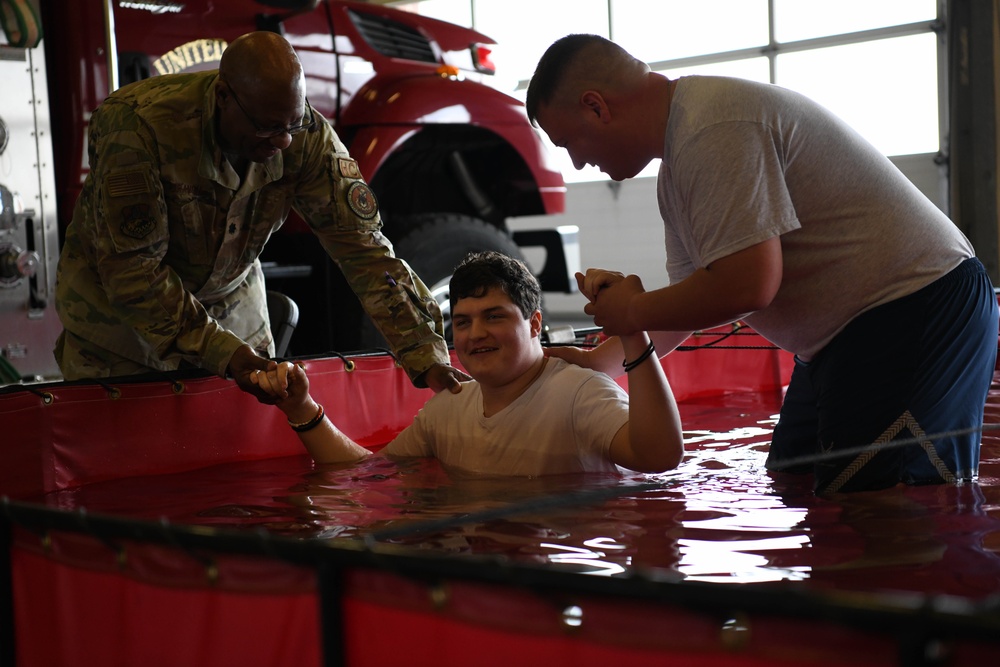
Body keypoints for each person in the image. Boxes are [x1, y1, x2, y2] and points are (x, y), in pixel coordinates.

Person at [524, 34, 999, 494]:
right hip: (842, 340)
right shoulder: (679, 165)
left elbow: (748, 286)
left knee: (882, 515)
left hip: (916, 311)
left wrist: (632, 312)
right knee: (792, 483)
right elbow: (690, 302)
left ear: (596, 106)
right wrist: (597, 363)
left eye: (568, 142)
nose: (578, 163)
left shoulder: (712, 128)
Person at [53, 31, 466, 402]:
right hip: (120, 331)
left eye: (293, 124)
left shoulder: (303, 134)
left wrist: (424, 352)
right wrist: (224, 353)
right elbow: (131, 272)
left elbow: (365, 251)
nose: (284, 140)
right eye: (268, 128)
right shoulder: (139, 126)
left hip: (234, 313)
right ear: (223, 97)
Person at [253, 251, 684, 476]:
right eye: (463, 322)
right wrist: (302, 411)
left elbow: (659, 456)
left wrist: (632, 330)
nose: (476, 334)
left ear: (535, 323)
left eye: (494, 317)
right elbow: (366, 472)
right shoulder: (449, 408)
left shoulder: (579, 393)